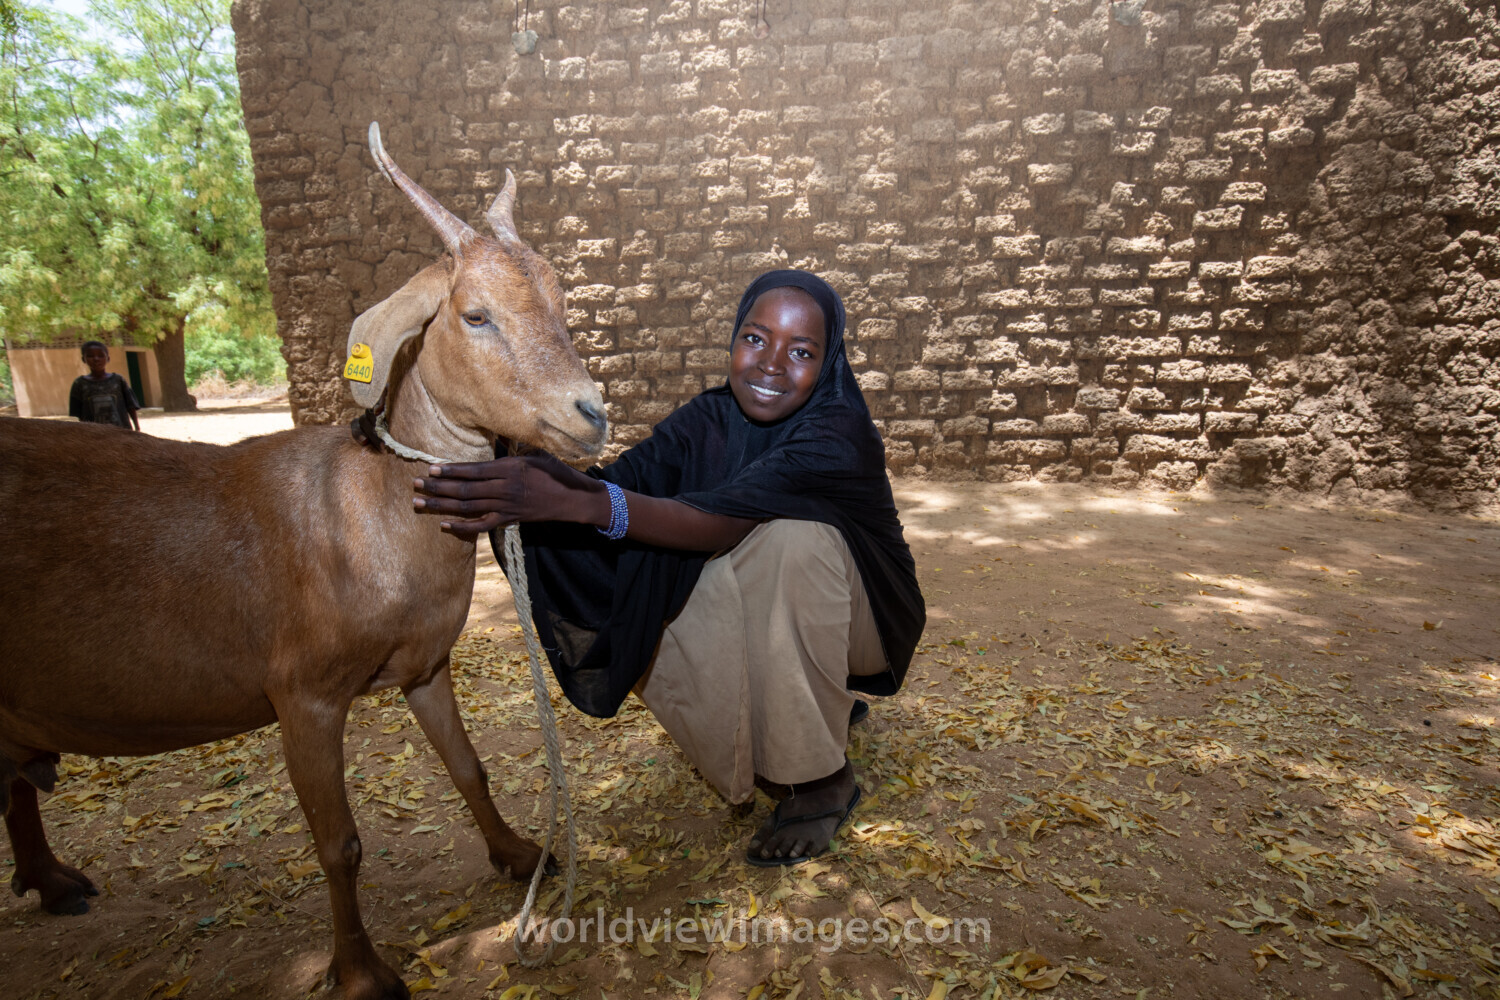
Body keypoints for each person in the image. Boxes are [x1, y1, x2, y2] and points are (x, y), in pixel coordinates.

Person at [409, 270, 925, 866]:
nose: (771, 364)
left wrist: (579, 502)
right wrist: (531, 466)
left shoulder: (836, 433)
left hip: (868, 627)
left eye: (802, 351)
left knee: (788, 544)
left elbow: (716, 522)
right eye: (756, 339)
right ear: (734, 339)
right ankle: (810, 705)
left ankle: (821, 784)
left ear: (828, 361)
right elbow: (627, 484)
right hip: (809, 613)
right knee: (664, 574)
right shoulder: (709, 419)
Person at [69, 341, 141, 431]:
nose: (96, 359)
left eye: (101, 355)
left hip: (121, 432)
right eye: (90, 356)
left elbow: (131, 406)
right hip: (94, 434)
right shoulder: (79, 384)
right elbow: (79, 414)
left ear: (108, 358)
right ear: (84, 359)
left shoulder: (118, 380)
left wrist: (137, 428)